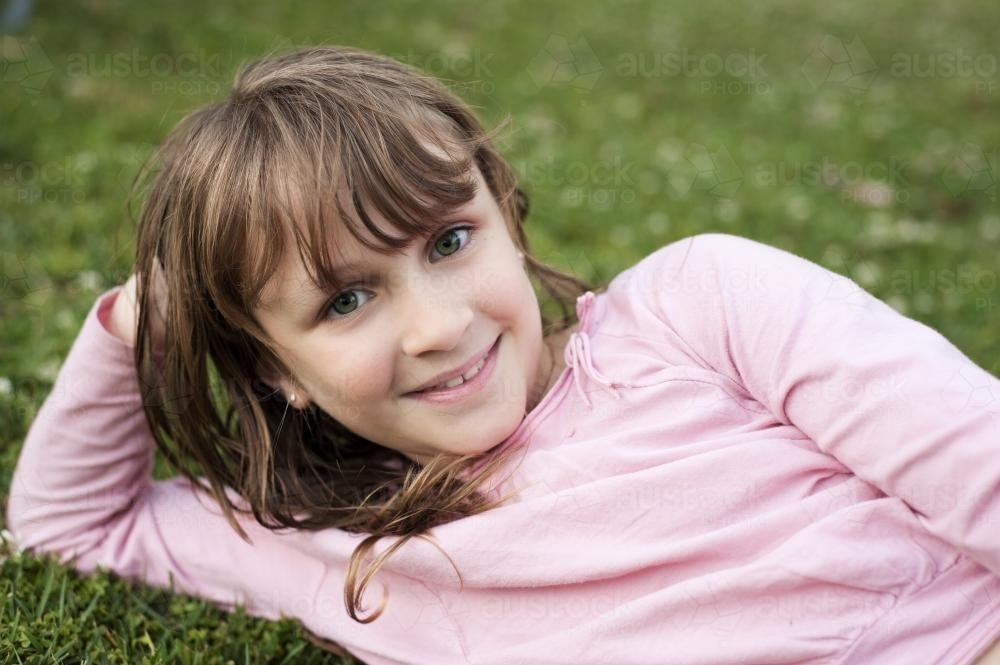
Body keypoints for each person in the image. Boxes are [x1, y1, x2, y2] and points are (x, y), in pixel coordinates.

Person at [6, 44, 1000, 665]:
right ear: (273, 370)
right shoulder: (323, 545)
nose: (436, 322)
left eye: (448, 240)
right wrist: (146, 322)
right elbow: (63, 528)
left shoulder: (701, 308)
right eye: (345, 299)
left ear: (502, 214)